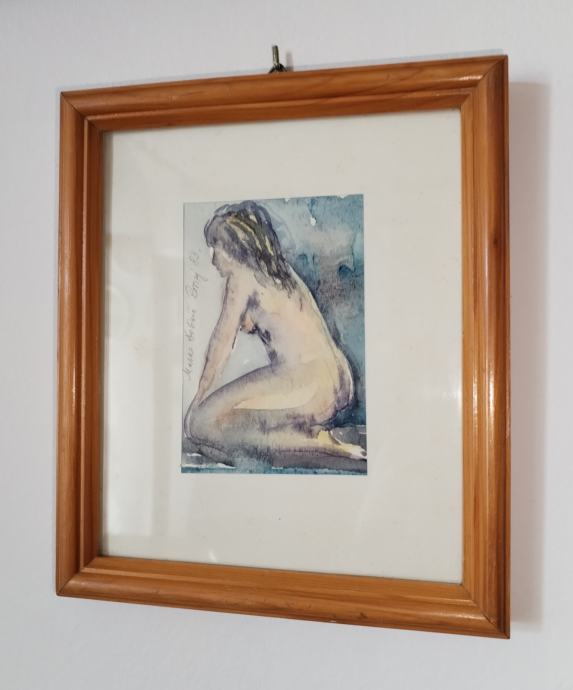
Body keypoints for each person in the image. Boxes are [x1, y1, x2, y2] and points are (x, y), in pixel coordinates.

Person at [184, 201, 366, 468]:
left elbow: (221, 343)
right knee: (219, 441)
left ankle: (319, 447)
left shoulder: (241, 277)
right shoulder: (278, 271)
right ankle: (305, 437)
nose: (213, 259)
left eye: (216, 248)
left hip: (307, 382)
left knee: (199, 424)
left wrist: (199, 396)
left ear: (234, 249)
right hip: (335, 379)